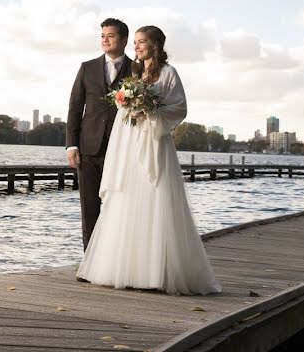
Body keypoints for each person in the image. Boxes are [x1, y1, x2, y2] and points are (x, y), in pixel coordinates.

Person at [76, 25, 221, 295]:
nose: (137, 47)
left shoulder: (169, 73)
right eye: (136, 42)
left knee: (156, 199)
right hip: (131, 144)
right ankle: (126, 267)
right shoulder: (135, 72)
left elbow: (179, 108)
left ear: (155, 45)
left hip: (154, 142)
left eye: (142, 42)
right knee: (128, 200)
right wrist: (129, 104)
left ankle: (155, 272)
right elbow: (121, 110)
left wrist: (149, 111)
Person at [66, 18, 132, 250]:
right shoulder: (87, 67)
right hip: (89, 148)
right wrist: (71, 146)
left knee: (120, 206)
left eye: (110, 36)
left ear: (124, 40)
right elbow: (75, 108)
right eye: (102, 35)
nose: (105, 40)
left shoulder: (137, 70)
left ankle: (115, 258)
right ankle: (89, 260)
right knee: (89, 207)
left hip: (123, 149)